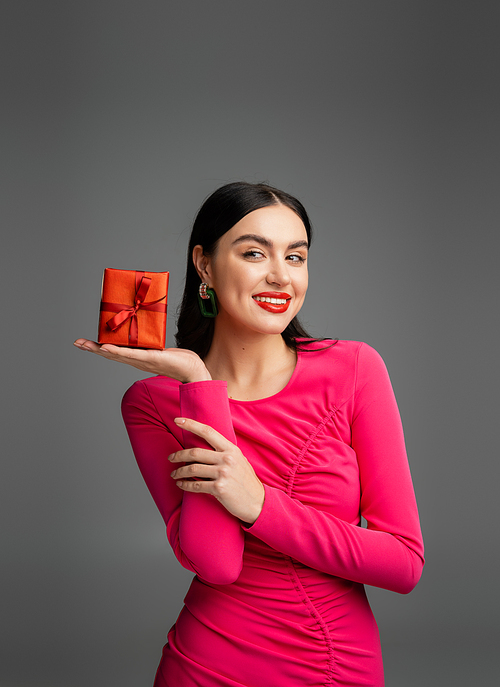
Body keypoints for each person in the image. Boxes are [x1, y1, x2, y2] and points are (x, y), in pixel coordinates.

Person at [74, 181, 424, 687]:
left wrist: (259, 504)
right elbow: (217, 564)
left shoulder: (354, 369)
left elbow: (404, 564)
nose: (280, 276)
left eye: (296, 257)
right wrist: (199, 385)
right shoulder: (153, 402)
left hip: (333, 664)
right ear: (205, 265)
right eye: (255, 253)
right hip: (205, 664)